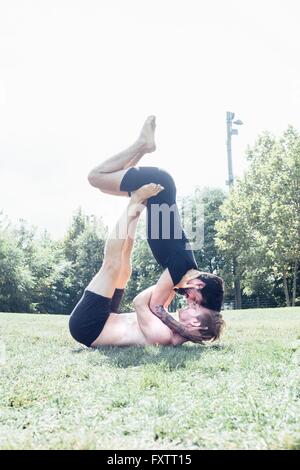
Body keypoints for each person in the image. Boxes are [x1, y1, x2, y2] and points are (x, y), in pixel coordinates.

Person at [87, 116, 224, 315]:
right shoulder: (180, 269)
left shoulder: (184, 271)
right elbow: (155, 307)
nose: (190, 303)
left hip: (158, 190)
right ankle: (142, 144)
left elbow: (163, 298)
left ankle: (143, 146)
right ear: (200, 286)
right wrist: (183, 331)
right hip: (159, 185)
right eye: (196, 302)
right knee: (96, 177)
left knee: (104, 185)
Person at [69, 184, 225, 347]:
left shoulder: (163, 336)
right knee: (124, 269)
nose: (191, 303)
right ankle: (135, 212)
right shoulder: (167, 327)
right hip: (108, 318)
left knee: (112, 266)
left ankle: (134, 201)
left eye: (194, 307)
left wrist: (175, 283)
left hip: (89, 327)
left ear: (195, 324)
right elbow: (159, 300)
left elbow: (139, 302)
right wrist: (171, 285)